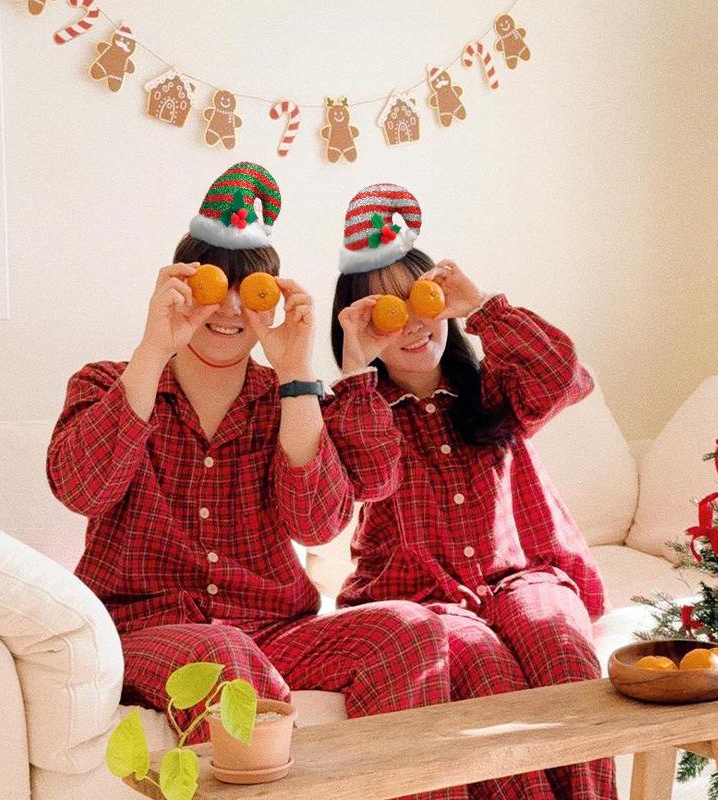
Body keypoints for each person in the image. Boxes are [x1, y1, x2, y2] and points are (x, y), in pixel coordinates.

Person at [48, 165, 463, 800]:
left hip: (275, 627)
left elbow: (317, 525)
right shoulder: (109, 383)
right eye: (218, 286)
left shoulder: (285, 399)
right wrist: (152, 349)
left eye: (255, 289)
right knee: (223, 659)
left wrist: (297, 372)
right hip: (143, 628)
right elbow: (82, 488)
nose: (235, 308)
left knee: (412, 630)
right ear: (182, 292)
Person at [328, 183, 618, 799]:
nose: (409, 325)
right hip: (424, 601)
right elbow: (364, 472)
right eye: (386, 312)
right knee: (486, 671)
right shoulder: (356, 410)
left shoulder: (495, 388)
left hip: (525, 576)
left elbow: (561, 374)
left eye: (421, 300)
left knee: (562, 650)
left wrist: (480, 304)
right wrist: (356, 368)